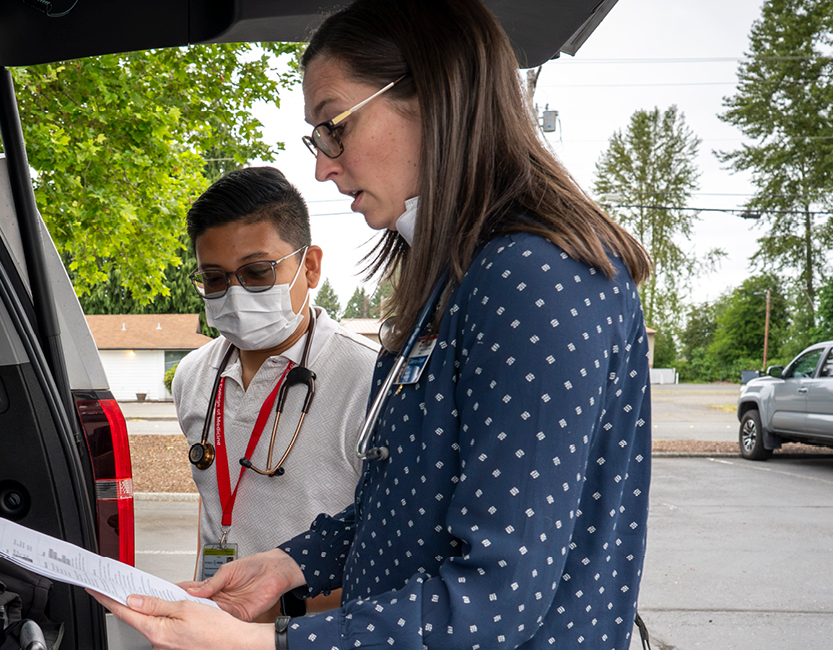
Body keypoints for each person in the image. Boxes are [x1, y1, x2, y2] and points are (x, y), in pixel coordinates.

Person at [91, 1, 654, 649]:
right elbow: (405, 503)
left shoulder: (534, 275)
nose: (322, 166)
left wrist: (262, 644)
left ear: (436, 94)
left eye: (334, 127)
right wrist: (289, 563)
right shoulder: (450, 281)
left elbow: (499, 597)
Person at [171, 167, 379, 615]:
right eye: (215, 278)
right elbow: (215, 517)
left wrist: (277, 614)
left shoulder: (370, 380)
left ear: (311, 266)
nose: (235, 294)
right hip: (220, 633)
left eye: (258, 272)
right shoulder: (192, 376)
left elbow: (393, 548)